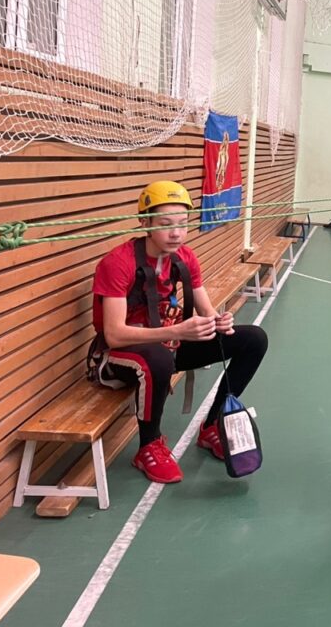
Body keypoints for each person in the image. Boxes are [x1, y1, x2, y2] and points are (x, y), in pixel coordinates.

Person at [90, 180, 268, 484]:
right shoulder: (118, 263)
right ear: (145, 222)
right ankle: (148, 446)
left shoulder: (185, 258)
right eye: (165, 225)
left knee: (252, 339)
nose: (176, 233)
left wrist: (219, 322)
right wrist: (177, 331)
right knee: (158, 358)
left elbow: (207, 311)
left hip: (167, 343)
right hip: (118, 357)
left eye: (183, 224)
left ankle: (212, 426)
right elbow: (114, 335)